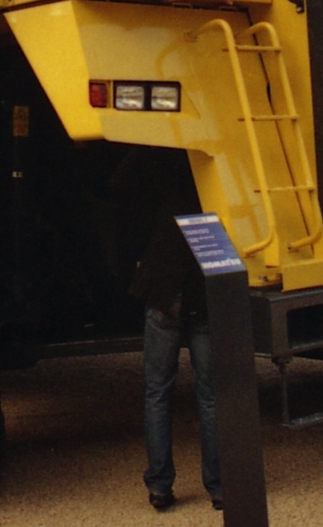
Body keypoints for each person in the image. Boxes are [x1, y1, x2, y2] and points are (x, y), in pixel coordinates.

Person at [121, 151, 221, 513]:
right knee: (211, 397)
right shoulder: (217, 180)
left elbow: (118, 185)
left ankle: (160, 486)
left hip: (164, 293)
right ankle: (219, 486)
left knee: (158, 393)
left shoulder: (158, 170)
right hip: (204, 295)